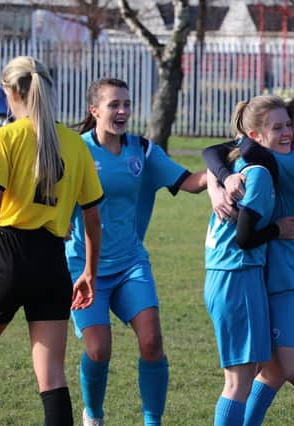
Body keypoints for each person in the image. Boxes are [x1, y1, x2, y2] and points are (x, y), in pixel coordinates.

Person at [67, 78, 206, 426]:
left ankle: (152, 422)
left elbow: (190, 182)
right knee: (98, 350)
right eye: (114, 104)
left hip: (130, 263)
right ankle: (94, 416)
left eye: (126, 104)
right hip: (85, 268)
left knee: (152, 340)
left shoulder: (142, 150)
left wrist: (230, 164)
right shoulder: (76, 151)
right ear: (94, 110)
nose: (123, 111)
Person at [203, 96, 294, 426]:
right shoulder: (267, 166)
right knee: (250, 376)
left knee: (280, 369)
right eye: (292, 127)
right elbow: (246, 234)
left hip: (273, 277)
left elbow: (221, 151)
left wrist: (219, 178)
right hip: (245, 274)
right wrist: (218, 183)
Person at [0, 56, 103, 426]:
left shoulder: (5, 138)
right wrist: (89, 271)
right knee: (53, 377)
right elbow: (92, 218)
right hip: (52, 262)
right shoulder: (75, 144)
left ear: (10, 92)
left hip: (7, 254)